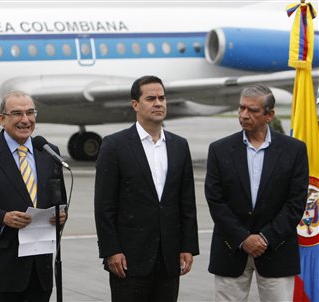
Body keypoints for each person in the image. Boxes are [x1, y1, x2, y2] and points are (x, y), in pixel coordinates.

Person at [94, 75, 199, 302]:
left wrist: (188, 246)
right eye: (151, 98)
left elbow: (186, 202)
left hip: (169, 257)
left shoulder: (179, 146)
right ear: (135, 105)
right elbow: (104, 205)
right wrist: (111, 250)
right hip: (129, 258)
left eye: (162, 98)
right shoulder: (114, 145)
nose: (158, 103)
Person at [0, 90, 67, 302]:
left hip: (38, 269)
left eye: (30, 113)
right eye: (16, 113)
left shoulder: (48, 152)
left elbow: (59, 200)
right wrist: (3, 218)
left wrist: (60, 216)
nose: (25, 120)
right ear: (2, 119)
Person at [205, 83, 309, 301]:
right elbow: (215, 200)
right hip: (231, 248)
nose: (244, 115)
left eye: (252, 110)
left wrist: (265, 238)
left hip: (277, 249)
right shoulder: (219, 149)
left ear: (269, 115)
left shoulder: (294, 150)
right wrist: (243, 238)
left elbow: (296, 203)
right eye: (241, 108)